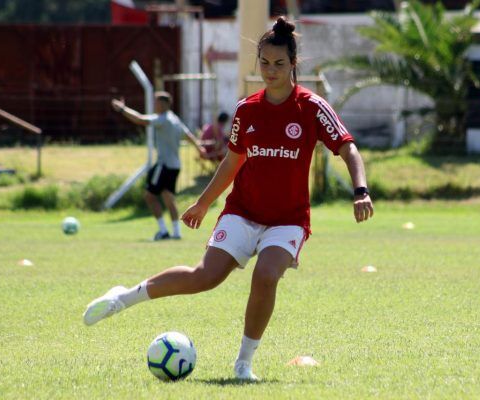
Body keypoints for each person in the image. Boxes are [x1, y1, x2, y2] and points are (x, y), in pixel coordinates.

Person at [86, 17, 374, 381]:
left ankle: (243, 364)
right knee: (204, 277)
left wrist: (360, 190)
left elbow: (348, 148)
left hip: (287, 219)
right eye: (265, 63)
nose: (270, 71)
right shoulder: (247, 110)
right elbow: (231, 162)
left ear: (293, 64)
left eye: (279, 64)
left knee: (266, 275)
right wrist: (204, 203)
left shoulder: (312, 107)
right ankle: (123, 298)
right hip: (242, 211)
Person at [111, 92, 206, 241]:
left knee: (149, 196)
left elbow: (141, 120)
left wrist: (122, 109)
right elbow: (188, 134)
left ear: (163, 104)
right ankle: (176, 232)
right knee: (169, 197)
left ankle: (163, 231)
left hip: (164, 165)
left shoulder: (163, 119)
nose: (154, 105)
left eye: (156, 102)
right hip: (175, 165)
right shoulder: (174, 119)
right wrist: (199, 147)